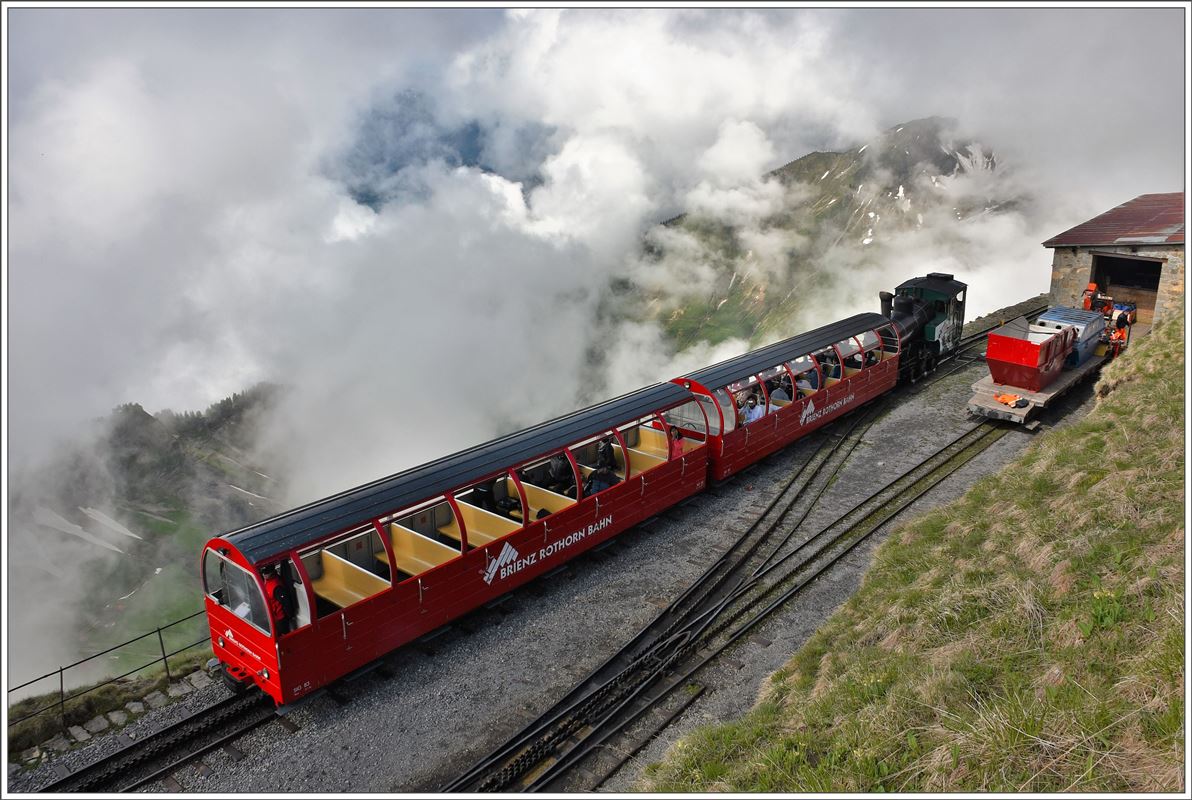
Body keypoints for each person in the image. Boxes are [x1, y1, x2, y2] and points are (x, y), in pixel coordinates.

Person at [262, 564, 295, 636]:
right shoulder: (267, 581)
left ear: (271, 572)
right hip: (272, 615)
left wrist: (290, 615)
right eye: (264, 572)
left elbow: (286, 602)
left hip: (280, 617)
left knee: (283, 634)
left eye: (266, 572)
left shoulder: (277, 587)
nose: (264, 574)